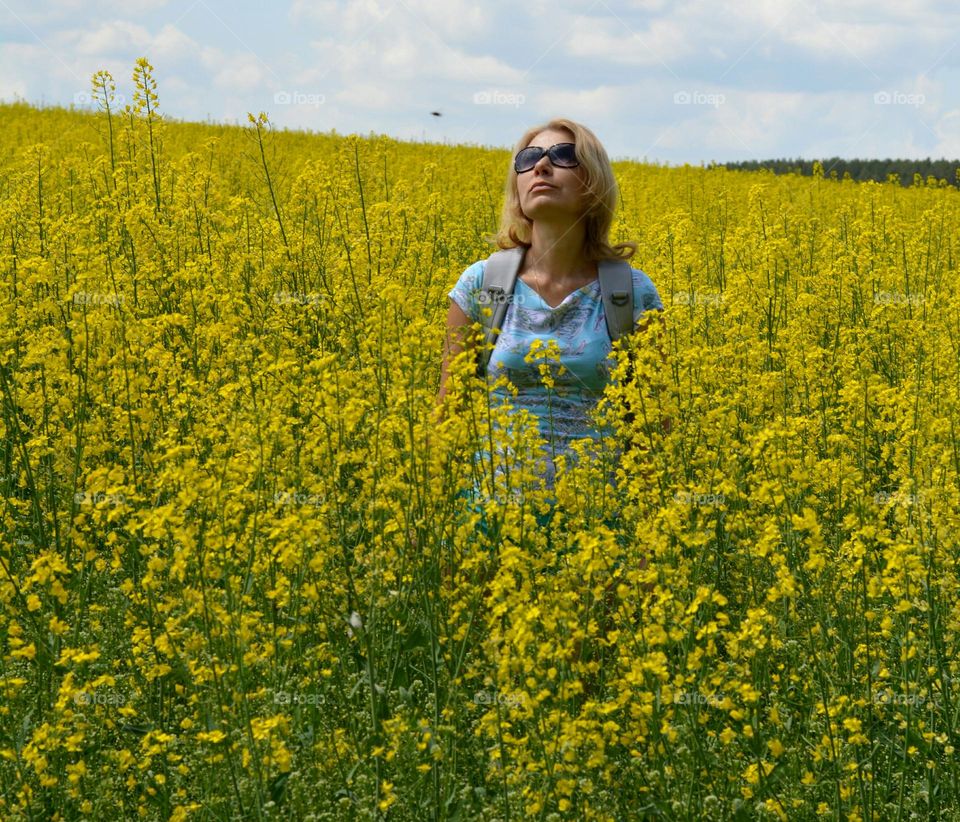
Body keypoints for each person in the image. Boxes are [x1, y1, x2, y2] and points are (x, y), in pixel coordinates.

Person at [434, 118, 667, 538]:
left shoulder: (631, 292)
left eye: (561, 156)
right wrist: (430, 522)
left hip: (600, 532)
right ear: (518, 188)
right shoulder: (481, 284)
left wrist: (650, 540)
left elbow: (653, 426)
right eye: (528, 159)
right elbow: (449, 412)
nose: (541, 167)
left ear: (593, 183)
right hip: (492, 525)